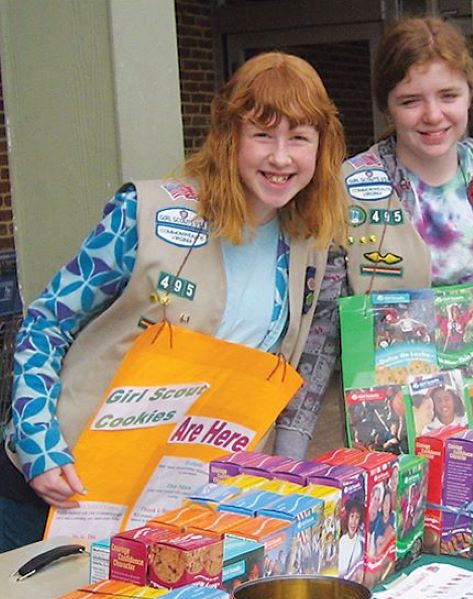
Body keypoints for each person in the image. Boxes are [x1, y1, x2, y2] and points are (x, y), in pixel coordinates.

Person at [0, 51, 348, 553]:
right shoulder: (144, 214)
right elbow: (46, 324)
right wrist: (38, 445)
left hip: (178, 508)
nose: (280, 157)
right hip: (62, 489)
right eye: (262, 134)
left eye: (299, 138)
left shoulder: (308, 243)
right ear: (229, 137)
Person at [340, 16, 473, 490]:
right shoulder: (353, 188)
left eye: (448, 96)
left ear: (470, 93)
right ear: (387, 106)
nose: (433, 115)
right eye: (410, 101)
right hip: (395, 419)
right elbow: (325, 323)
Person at [338, 496, 366, 582]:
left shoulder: (360, 542)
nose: (353, 522)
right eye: (352, 516)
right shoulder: (341, 541)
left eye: (357, 517)